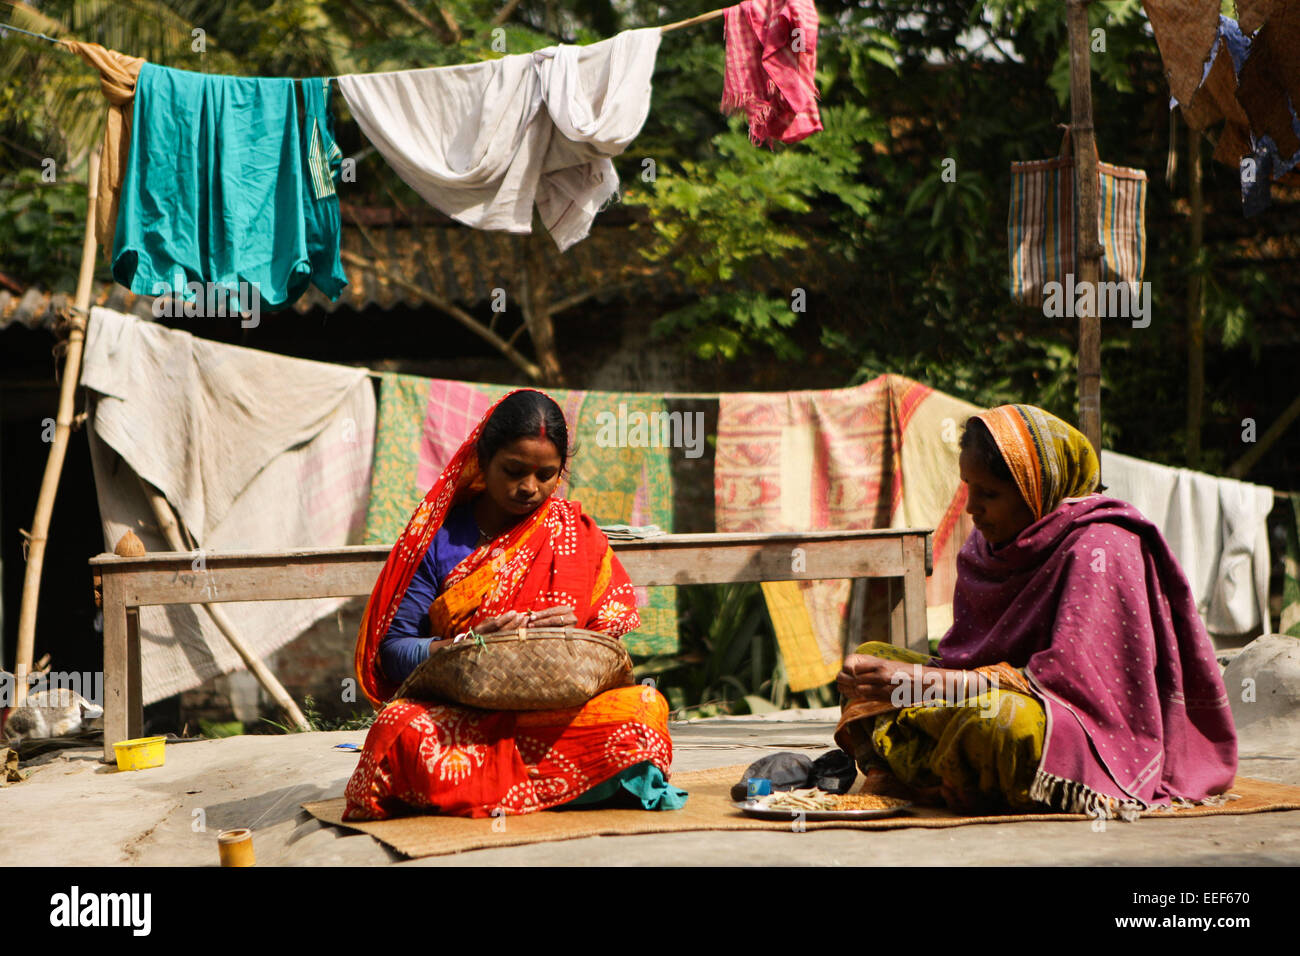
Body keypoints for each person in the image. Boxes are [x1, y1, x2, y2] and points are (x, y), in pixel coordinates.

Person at [834, 404, 1237, 820]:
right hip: (976, 692)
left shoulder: (1100, 546)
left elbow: (1059, 686)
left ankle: (947, 778)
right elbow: (968, 662)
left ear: (1036, 491)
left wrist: (920, 683)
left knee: (1001, 726)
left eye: (989, 494)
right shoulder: (986, 549)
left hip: (1076, 722)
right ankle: (936, 777)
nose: (972, 509)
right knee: (866, 668)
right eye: (968, 488)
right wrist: (912, 679)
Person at [344, 389, 686, 820]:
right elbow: (393, 649)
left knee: (644, 710)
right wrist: (458, 647)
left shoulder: (572, 531)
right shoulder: (437, 540)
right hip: (462, 716)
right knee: (398, 730)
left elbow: (610, 653)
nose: (529, 488)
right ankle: (572, 788)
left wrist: (575, 635)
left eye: (546, 475)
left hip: (553, 715)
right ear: (483, 460)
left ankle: (483, 790)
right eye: (514, 471)